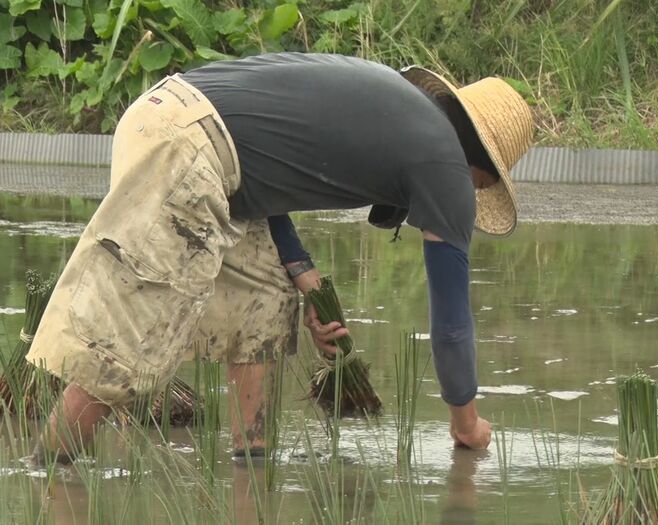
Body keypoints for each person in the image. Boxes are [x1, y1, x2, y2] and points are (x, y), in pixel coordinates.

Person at [26, 52, 534, 463]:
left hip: (180, 122)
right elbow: (450, 324)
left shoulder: (395, 104)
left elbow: (265, 170)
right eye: (479, 186)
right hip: (190, 148)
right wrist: (466, 423)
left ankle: (253, 462)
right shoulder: (445, 165)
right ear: (481, 168)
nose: (469, 196)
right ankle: (46, 471)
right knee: (129, 339)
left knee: (266, 303)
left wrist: (308, 284)